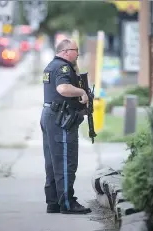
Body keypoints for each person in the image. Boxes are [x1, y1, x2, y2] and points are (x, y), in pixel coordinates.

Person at [40, 39, 92, 214]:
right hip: (60, 118)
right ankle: (68, 203)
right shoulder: (63, 67)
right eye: (76, 50)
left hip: (50, 115)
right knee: (65, 161)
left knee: (52, 161)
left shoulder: (51, 66)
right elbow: (63, 88)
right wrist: (82, 92)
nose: (78, 54)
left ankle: (53, 202)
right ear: (65, 51)